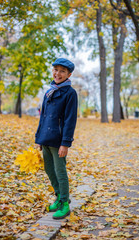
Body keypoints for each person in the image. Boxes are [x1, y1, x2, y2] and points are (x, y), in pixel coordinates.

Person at [35, 58, 78, 219]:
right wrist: (39, 138)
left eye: (62, 71)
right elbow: (43, 117)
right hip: (46, 138)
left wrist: (65, 143)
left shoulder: (70, 93)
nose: (57, 74)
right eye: (55, 70)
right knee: (48, 169)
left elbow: (70, 120)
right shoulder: (49, 91)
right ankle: (60, 197)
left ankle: (65, 204)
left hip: (58, 141)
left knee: (60, 171)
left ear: (69, 74)